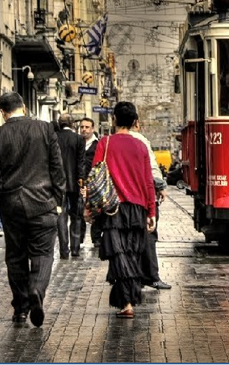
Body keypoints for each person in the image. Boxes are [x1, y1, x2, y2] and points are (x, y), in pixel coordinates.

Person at [0, 92, 66, 326]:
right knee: (43, 254)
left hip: (12, 206)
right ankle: (37, 290)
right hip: (43, 203)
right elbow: (57, 168)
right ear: (23, 107)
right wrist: (58, 200)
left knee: (15, 257)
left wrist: (0, 202)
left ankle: (20, 309)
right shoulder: (45, 128)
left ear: (2, 112)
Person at [89, 102, 157, 318]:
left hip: (113, 209)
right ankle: (128, 300)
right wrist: (151, 212)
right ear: (135, 122)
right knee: (132, 253)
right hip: (137, 209)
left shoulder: (105, 143)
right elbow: (148, 182)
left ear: (114, 119)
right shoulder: (141, 147)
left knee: (118, 253)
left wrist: (89, 207)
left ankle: (127, 302)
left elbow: (95, 178)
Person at [129, 121, 171, 290]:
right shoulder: (141, 141)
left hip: (124, 198)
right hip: (144, 196)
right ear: (137, 124)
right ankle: (151, 276)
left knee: (129, 237)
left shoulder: (111, 140)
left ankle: (133, 276)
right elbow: (151, 168)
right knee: (148, 235)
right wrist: (160, 187)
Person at [55, 114, 85, 259]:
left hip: (58, 184)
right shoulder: (78, 139)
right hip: (75, 184)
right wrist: (81, 180)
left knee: (61, 216)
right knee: (76, 216)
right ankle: (75, 248)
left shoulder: (54, 137)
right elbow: (81, 163)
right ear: (72, 123)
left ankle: (63, 250)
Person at [79, 117, 100, 247]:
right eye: (82, 127)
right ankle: (79, 239)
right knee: (79, 211)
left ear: (92, 129)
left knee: (95, 210)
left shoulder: (98, 144)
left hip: (94, 182)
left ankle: (96, 238)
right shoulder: (77, 142)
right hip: (79, 182)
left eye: (87, 127)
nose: (84, 129)